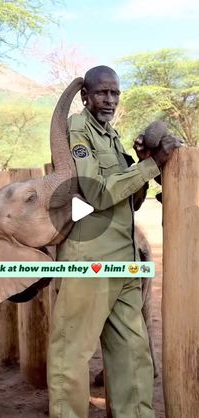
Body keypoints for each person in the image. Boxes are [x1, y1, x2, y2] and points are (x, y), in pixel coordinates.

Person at [47, 65, 180, 418]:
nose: (110, 99)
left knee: (133, 355)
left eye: (115, 93)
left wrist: (142, 163)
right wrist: (151, 168)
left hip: (123, 260)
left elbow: (129, 201)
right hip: (89, 260)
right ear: (86, 96)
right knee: (71, 356)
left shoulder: (110, 135)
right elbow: (96, 193)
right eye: (102, 92)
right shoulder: (78, 129)